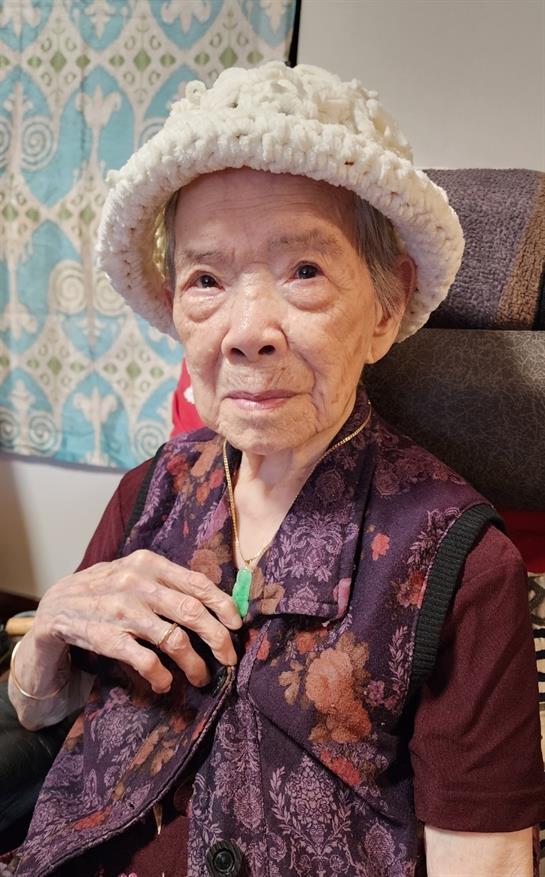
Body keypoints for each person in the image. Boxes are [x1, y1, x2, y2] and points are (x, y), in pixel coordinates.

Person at [5, 62, 544, 877]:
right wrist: (47, 630)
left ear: (387, 305)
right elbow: (45, 710)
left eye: (304, 270)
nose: (245, 329)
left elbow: (487, 866)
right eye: (206, 279)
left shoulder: (461, 568)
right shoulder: (152, 488)